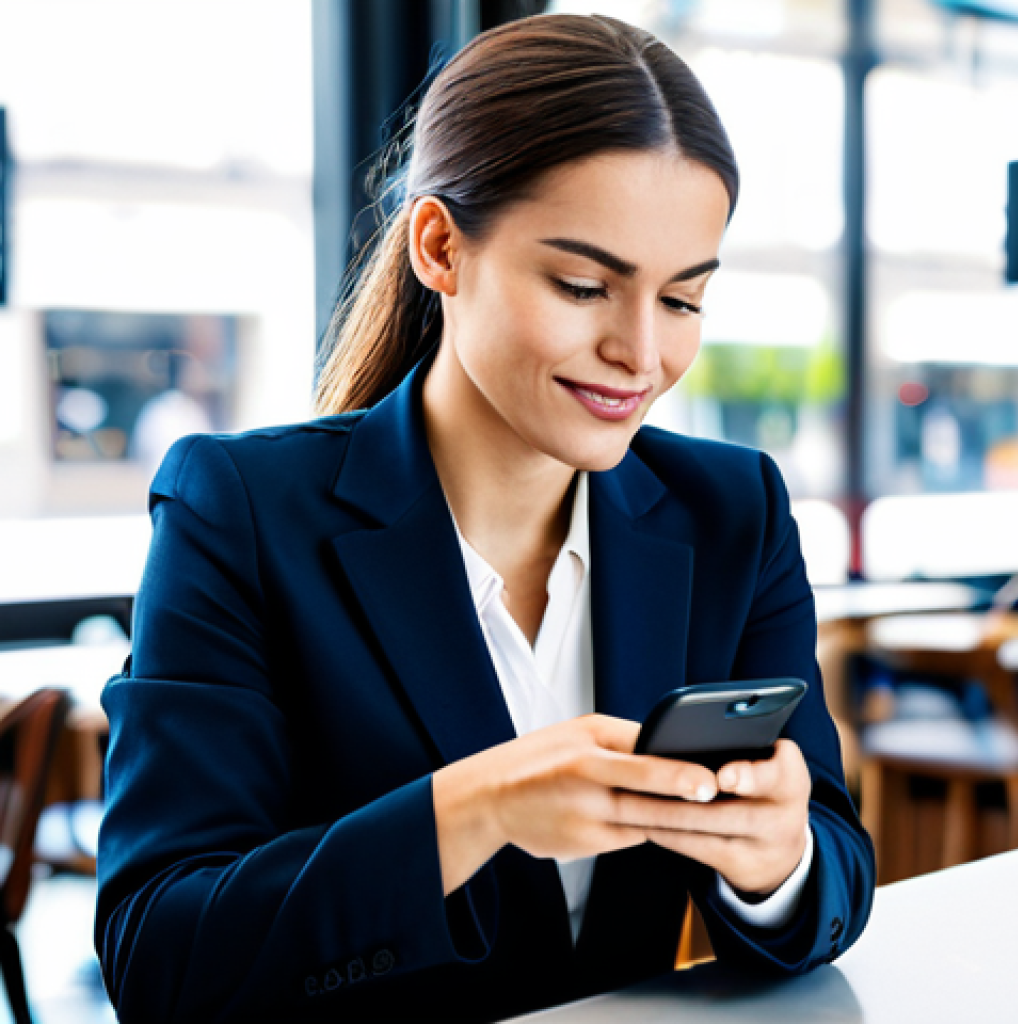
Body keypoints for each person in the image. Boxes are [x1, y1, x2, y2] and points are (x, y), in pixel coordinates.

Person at [95, 13, 875, 1023]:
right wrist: (476, 809)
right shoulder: (239, 511)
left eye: (682, 301)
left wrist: (779, 863)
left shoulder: (733, 515)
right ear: (439, 247)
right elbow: (161, 958)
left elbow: (833, 865)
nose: (641, 355)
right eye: (583, 286)